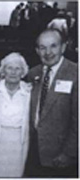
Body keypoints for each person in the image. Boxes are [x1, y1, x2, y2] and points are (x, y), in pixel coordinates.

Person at [25, 28, 78, 177]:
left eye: (53, 46)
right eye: (42, 47)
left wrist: (69, 153)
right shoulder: (32, 73)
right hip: (33, 151)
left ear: (63, 47)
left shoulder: (76, 74)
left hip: (61, 154)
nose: (48, 52)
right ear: (37, 50)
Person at [0, 52, 31, 177]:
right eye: (9, 68)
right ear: (3, 71)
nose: (13, 72)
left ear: (23, 72)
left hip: (19, 141)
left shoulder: (29, 91)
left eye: (17, 68)